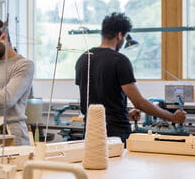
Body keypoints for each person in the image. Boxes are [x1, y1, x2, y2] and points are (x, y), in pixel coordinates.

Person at [75, 12, 186, 143]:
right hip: (116, 135)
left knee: (94, 162)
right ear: (120, 35)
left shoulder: (83, 58)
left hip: (90, 132)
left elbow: (94, 99)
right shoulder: (119, 60)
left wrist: (125, 115)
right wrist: (172, 117)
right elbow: (139, 103)